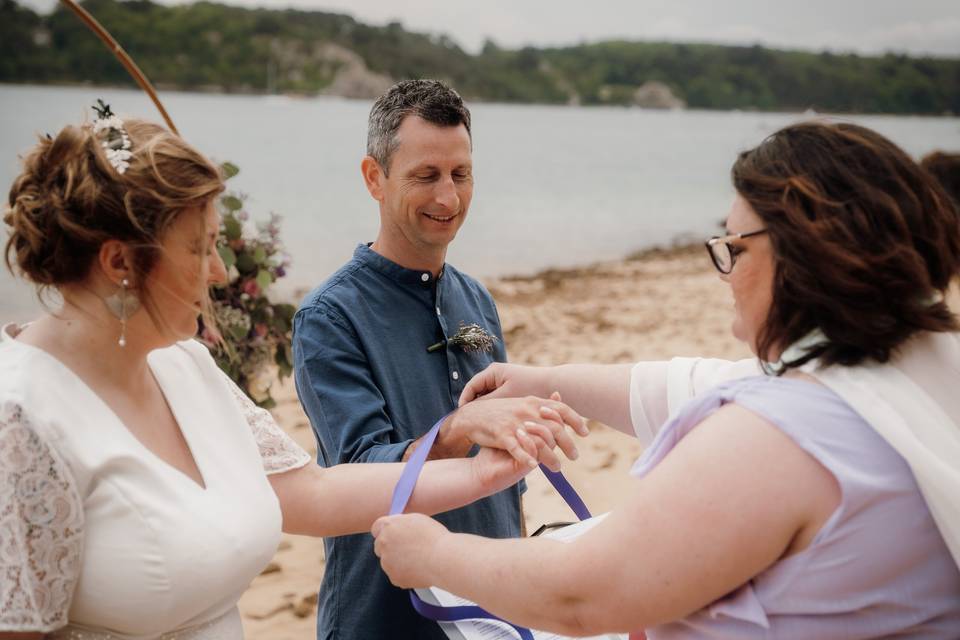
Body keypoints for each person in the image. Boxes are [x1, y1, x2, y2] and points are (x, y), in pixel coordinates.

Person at [0, 108, 576, 639]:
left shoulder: (186, 366)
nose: (221, 272)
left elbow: (316, 492)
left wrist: (489, 474)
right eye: (200, 249)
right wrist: (457, 435)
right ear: (120, 262)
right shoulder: (21, 420)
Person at [372, 121, 960, 637]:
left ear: (801, 254)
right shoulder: (913, 365)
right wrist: (542, 379)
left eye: (733, 248)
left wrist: (435, 554)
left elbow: (582, 595)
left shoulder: (783, 437)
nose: (724, 272)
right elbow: (682, 384)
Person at [292, 79, 586, 640]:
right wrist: (455, 430)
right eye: (425, 176)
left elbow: (511, 478)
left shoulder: (475, 299)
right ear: (374, 178)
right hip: (385, 618)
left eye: (460, 174)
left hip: (494, 609)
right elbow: (354, 468)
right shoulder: (328, 318)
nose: (447, 199)